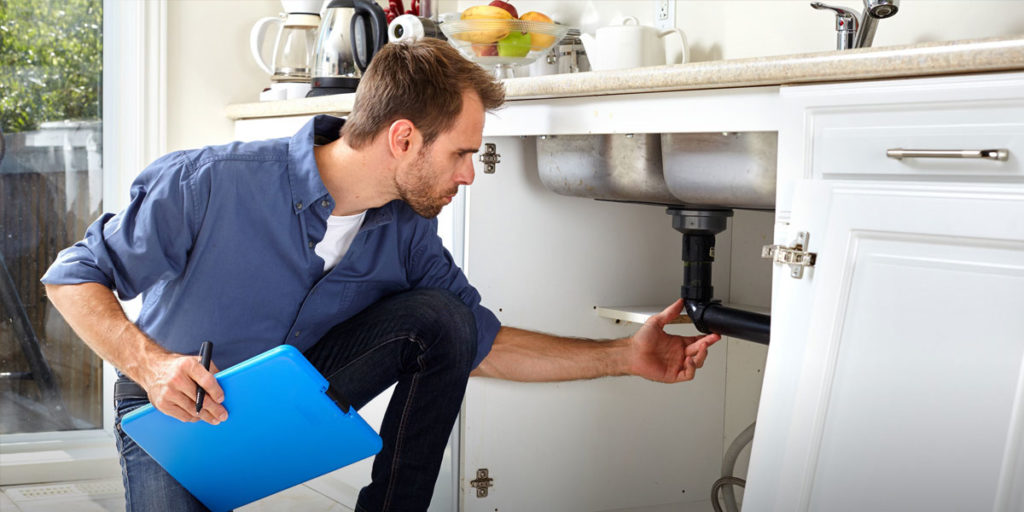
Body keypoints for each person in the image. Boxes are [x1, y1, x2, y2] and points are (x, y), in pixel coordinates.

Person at [41, 39, 720, 512]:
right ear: (403, 138)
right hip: (175, 410)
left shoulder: (407, 235)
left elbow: (477, 344)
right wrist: (154, 366)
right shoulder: (210, 182)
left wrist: (623, 357)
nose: (467, 174)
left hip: (288, 397)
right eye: (460, 154)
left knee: (442, 318)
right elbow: (72, 277)